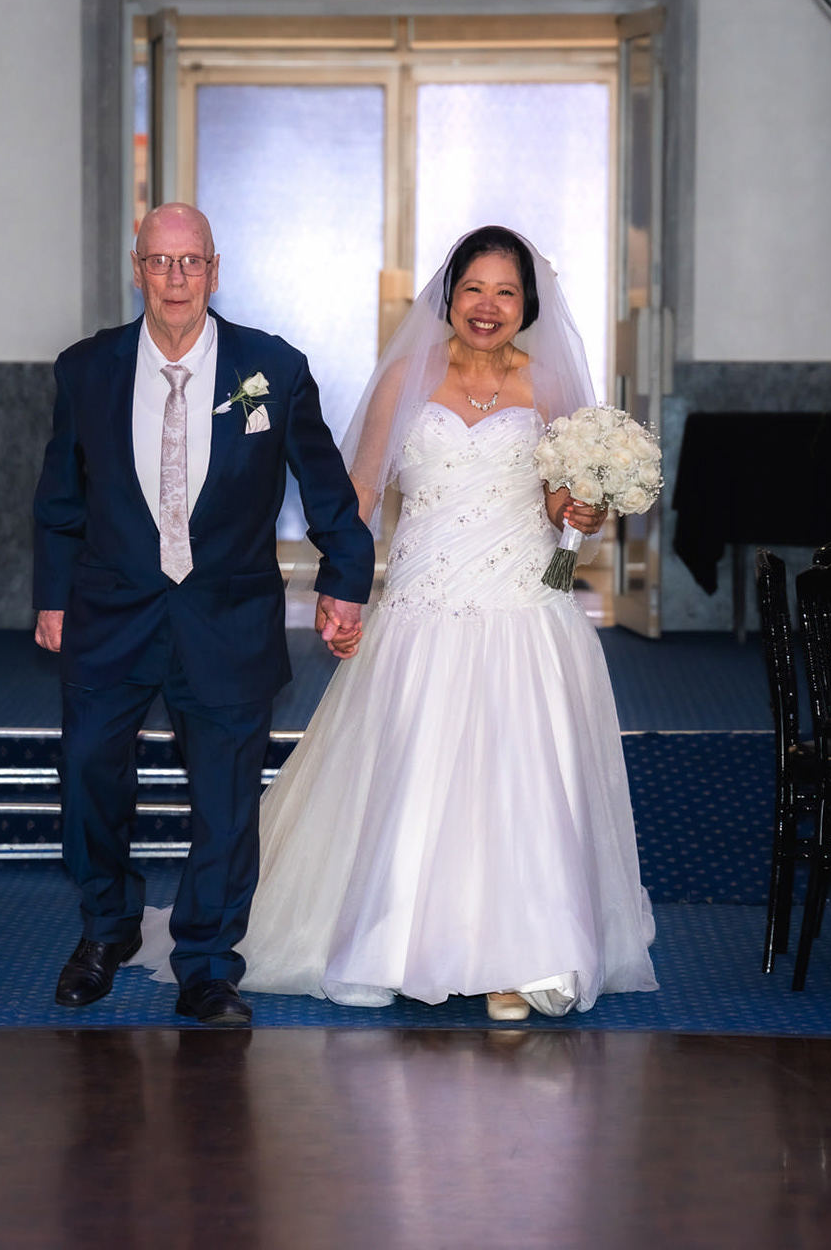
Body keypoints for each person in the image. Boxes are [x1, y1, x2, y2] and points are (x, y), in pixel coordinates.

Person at [136, 225, 659, 1021]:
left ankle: (523, 959)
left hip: (524, 611)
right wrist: (339, 592)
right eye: (473, 288)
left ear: (527, 305)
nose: (487, 306)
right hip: (423, 609)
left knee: (520, 786)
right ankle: (396, 942)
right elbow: (358, 495)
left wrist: (580, 510)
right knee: (416, 779)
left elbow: (562, 505)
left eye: (506, 292)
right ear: (449, 296)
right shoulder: (405, 380)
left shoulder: (550, 386)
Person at [32, 202, 376, 1027]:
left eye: (192, 262)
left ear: (215, 271)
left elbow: (324, 485)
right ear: (137, 268)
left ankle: (209, 965)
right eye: (160, 261)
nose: (176, 277)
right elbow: (60, 497)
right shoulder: (86, 369)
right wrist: (51, 594)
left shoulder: (272, 368)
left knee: (225, 803)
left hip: (227, 615)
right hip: (110, 612)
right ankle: (106, 927)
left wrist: (346, 576)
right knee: (87, 775)